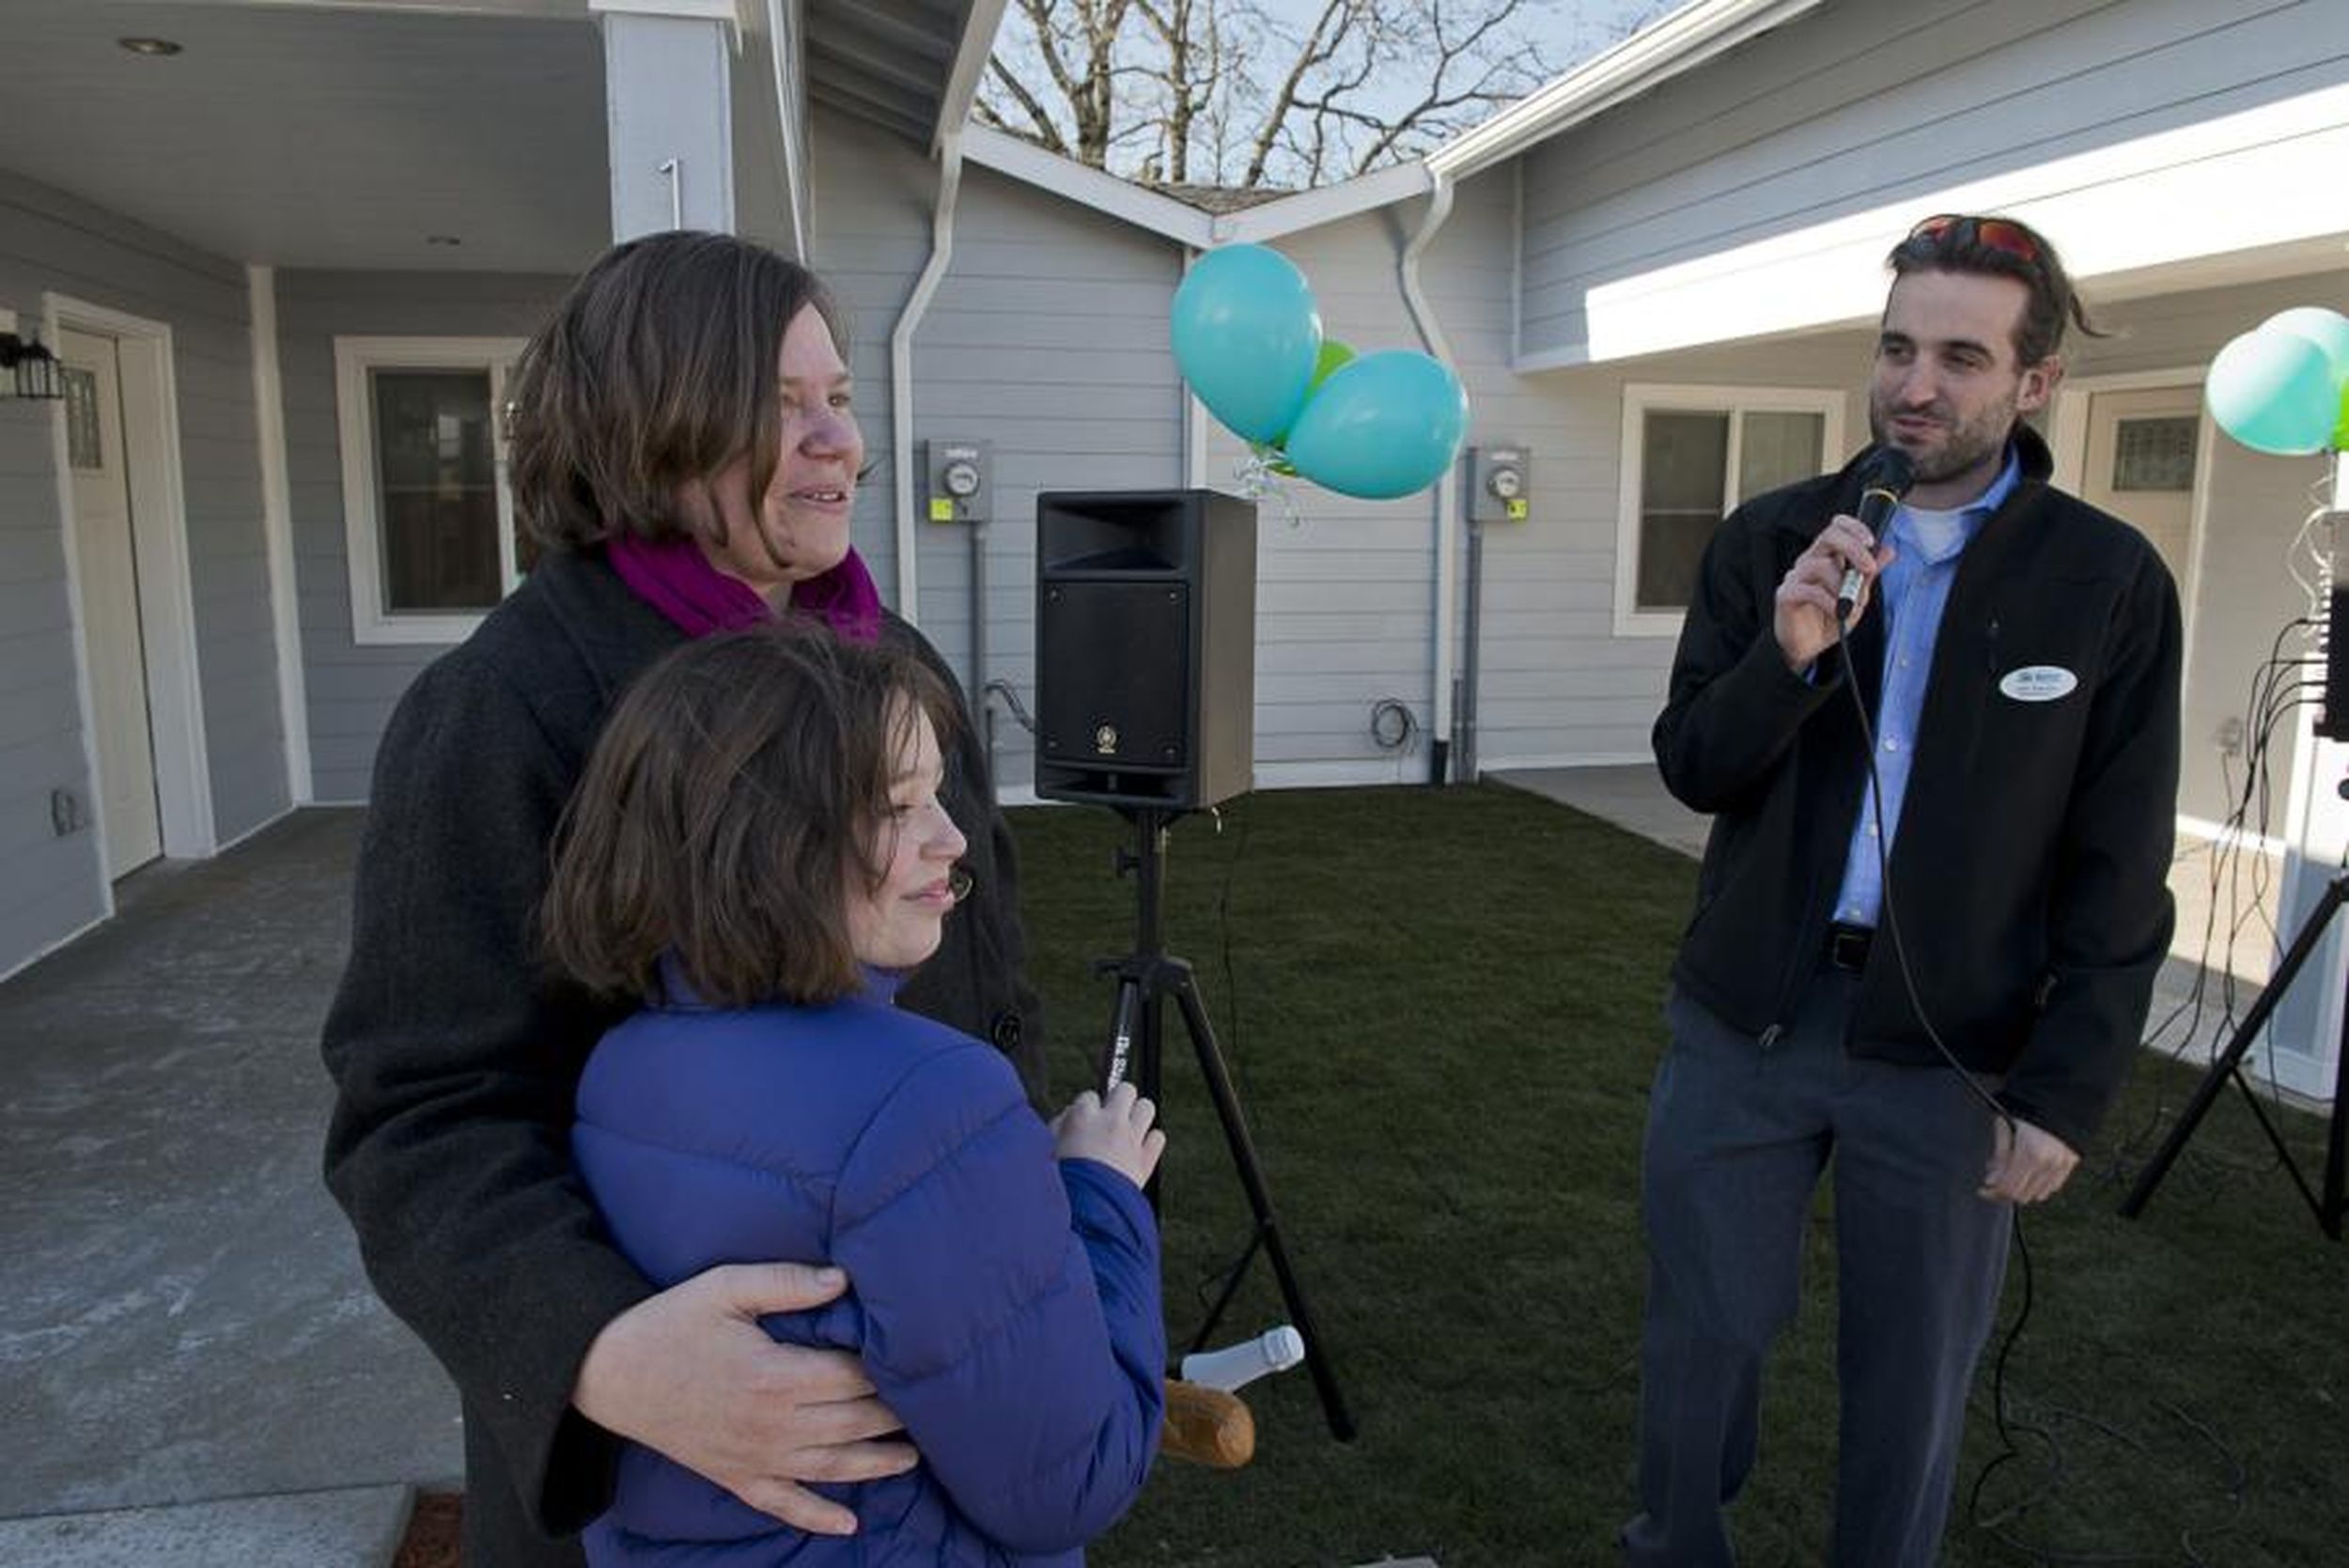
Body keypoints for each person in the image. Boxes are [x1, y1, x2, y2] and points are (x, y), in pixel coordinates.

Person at [320, 231, 1048, 1566]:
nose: (839, 441)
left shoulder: (893, 661)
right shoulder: (504, 707)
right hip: (677, 1478)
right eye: (779, 407)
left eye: (839, 398)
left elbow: (984, 968)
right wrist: (600, 1352)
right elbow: (420, 1119)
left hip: (931, 1398)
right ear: (646, 425)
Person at [1626, 214, 2183, 1567]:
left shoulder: (2105, 579)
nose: (1914, 384)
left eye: (1959, 355)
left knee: (1910, 1380)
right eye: (1895, 347)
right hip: (1749, 1020)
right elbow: (1695, 764)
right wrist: (1791, 655)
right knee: (1702, 1343)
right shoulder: (1774, 539)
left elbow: (2121, 859)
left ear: (2035, 383)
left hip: (1952, 1049)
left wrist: (2064, 1092)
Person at [541, 624, 1166, 1564]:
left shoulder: (616, 1065)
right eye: (895, 807)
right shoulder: (932, 1103)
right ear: (762, 844)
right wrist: (1103, 1193)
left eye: (939, 797)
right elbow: (1071, 1477)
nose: (951, 840)